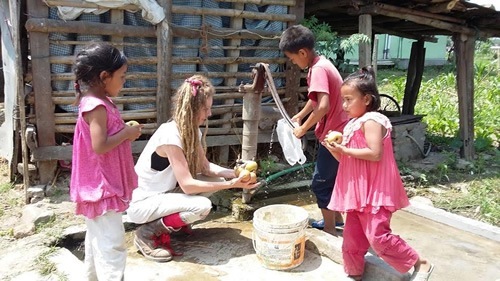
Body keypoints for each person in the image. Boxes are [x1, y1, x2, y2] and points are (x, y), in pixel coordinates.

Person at [126, 75, 259, 262]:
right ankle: (146, 234)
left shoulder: (191, 131)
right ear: (192, 108)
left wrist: (235, 174)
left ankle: (175, 226)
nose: (209, 114)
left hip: (166, 194)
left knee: (216, 180)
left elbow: (205, 168)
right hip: (144, 203)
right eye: (206, 108)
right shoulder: (170, 135)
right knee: (202, 206)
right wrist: (231, 185)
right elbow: (188, 185)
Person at [323, 66, 434, 281]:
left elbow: (374, 154)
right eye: (343, 100)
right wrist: (335, 150)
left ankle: (420, 263)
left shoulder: (373, 120)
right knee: (352, 239)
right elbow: (348, 160)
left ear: (366, 99)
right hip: (357, 191)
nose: (344, 106)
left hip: (376, 190)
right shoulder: (352, 124)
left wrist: (344, 149)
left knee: (378, 237)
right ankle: (354, 273)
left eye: (348, 100)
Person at [70, 43, 143, 281]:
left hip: (101, 184)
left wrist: (123, 130)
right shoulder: (96, 106)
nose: (124, 81)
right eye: (121, 77)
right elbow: (99, 146)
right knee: (112, 244)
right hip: (102, 187)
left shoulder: (101, 102)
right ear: (104, 76)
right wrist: (126, 134)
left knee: (97, 240)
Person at [279, 24, 348, 236]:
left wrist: (303, 129)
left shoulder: (317, 69)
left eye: (292, 58)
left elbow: (324, 105)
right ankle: (336, 219)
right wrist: (300, 115)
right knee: (331, 180)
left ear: (302, 52)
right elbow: (317, 97)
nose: (293, 62)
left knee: (320, 183)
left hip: (333, 135)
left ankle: (329, 229)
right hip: (337, 132)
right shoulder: (321, 64)